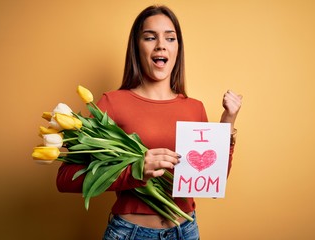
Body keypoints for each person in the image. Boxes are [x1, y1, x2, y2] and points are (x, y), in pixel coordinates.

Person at [56, 5, 242, 240]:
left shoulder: (195, 108)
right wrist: (134, 171)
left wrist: (228, 122)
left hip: (185, 231)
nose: (161, 45)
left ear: (177, 48)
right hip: (130, 233)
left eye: (170, 38)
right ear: (137, 47)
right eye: (150, 37)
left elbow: (212, 183)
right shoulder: (112, 103)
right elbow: (64, 178)